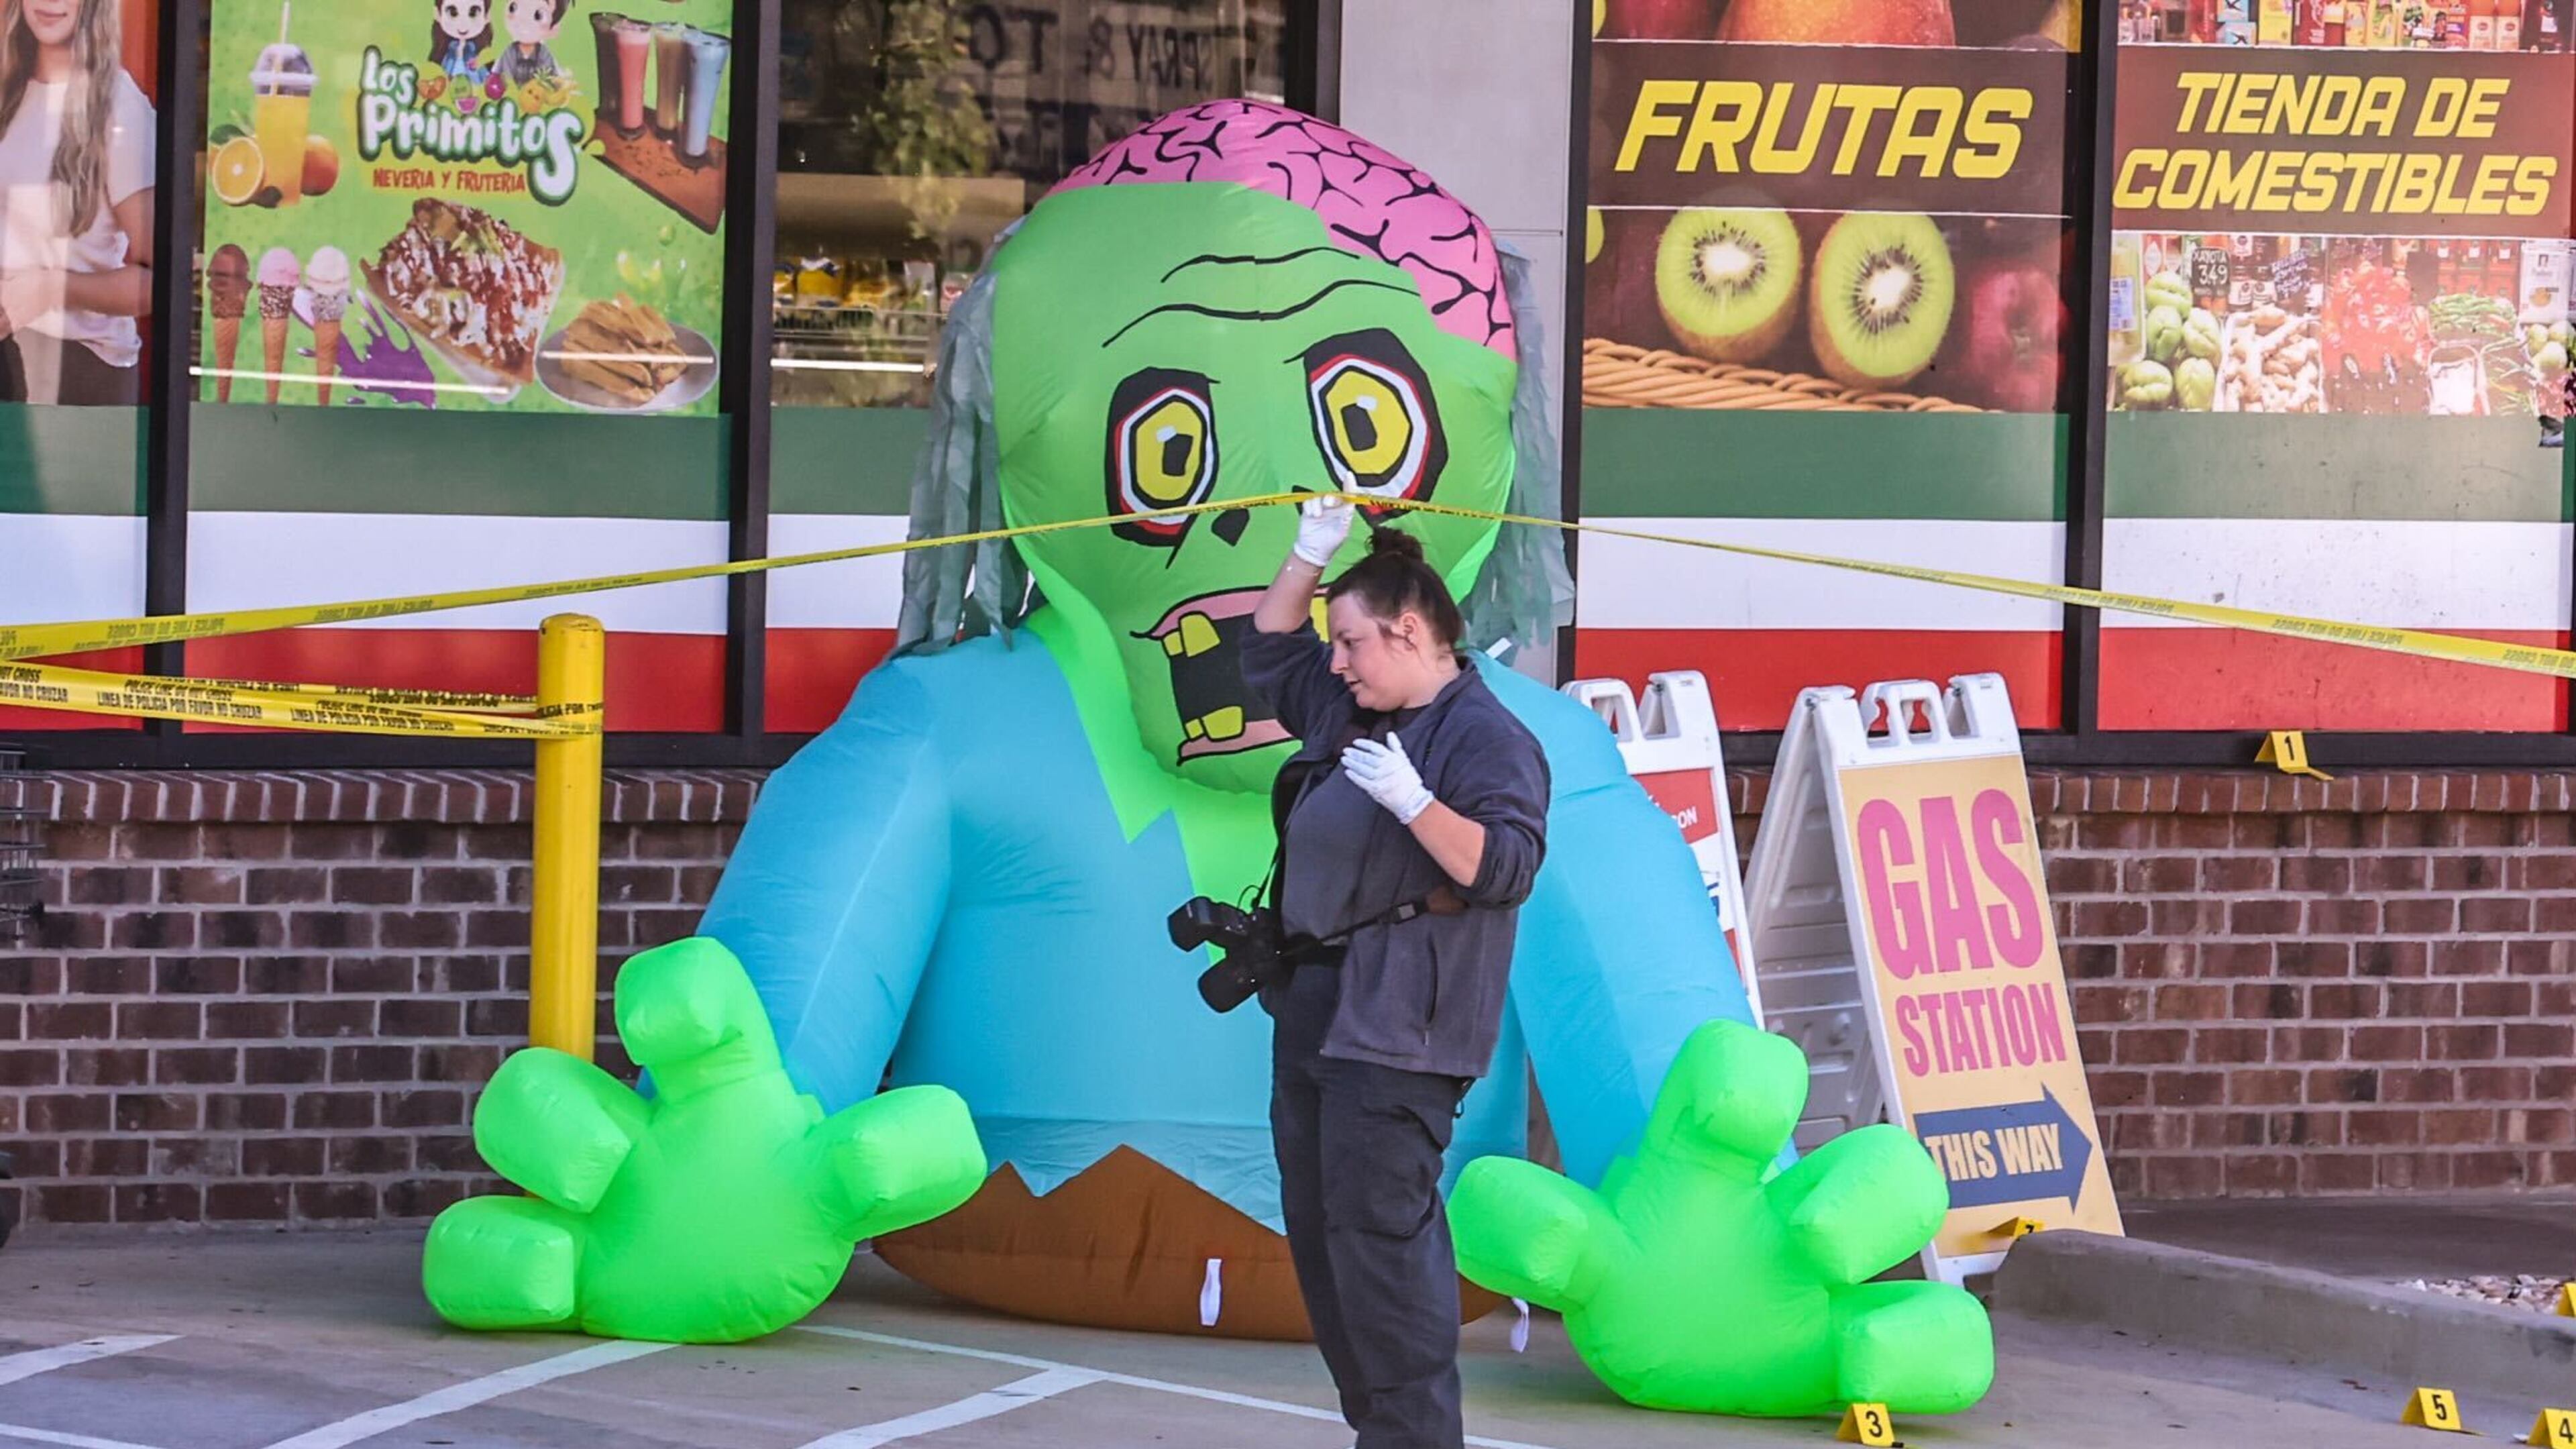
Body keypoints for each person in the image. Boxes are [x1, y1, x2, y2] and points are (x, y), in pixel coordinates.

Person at [1240, 494, 1550, 1449]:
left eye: (1352, 642)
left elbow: (1505, 869)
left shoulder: (1488, 740)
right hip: (1317, 1007)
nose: (1335, 661)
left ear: (1410, 633)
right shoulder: (1352, 704)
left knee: (1382, 1247)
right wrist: (1307, 552)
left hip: (1402, 1030)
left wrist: (1418, 804)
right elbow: (1264, 652)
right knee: (1326, 1241)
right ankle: (1379, 1434)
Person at [0, 0, 154, 407]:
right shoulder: (8, 89)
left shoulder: (117, 106)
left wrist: (50, 289)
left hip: (76, 370)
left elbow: (157, 283)